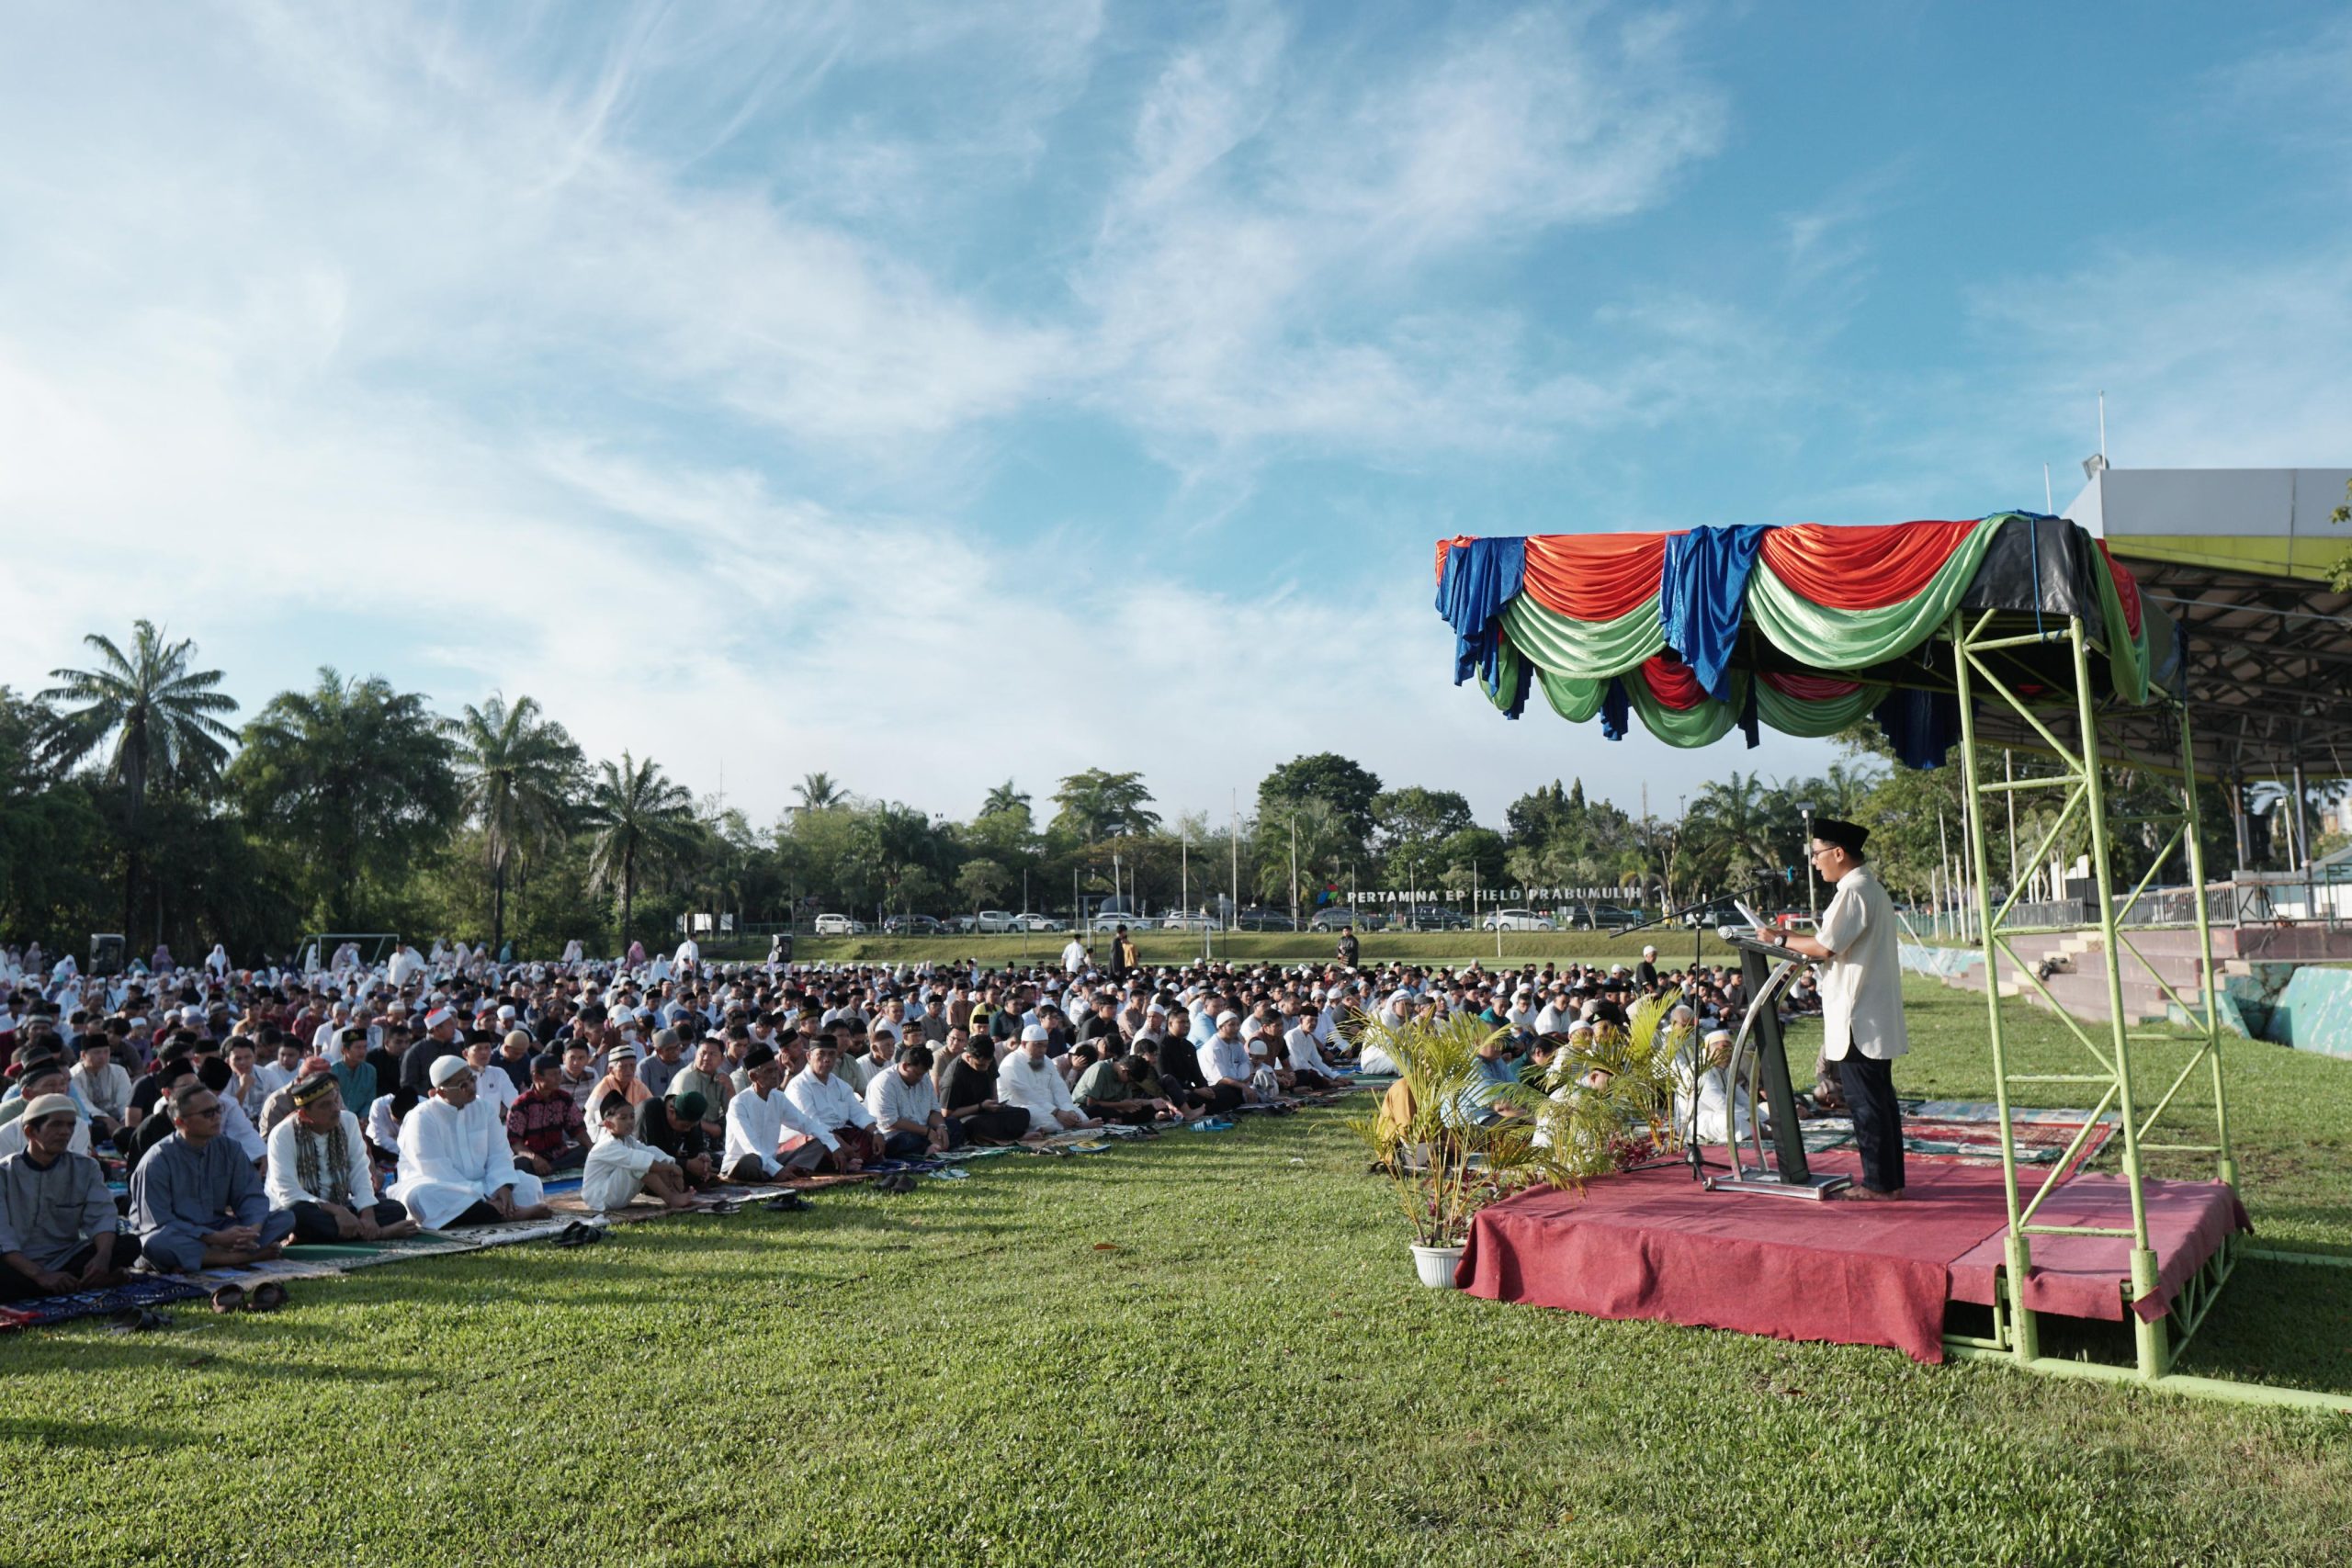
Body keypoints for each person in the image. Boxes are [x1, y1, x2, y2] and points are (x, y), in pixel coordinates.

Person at [1754, 817, 1906, 1200]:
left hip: (1860, 1017)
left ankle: (1878, 1185)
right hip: (1871, 1013)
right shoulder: (1868, 888)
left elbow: (1824, 946)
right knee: (1879, 1102)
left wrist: (1780, 937)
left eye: (1818, 853)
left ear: (1838, 853)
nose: (1814, 861)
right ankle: (1889, 1181)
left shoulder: (1853, 891)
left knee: (1867, 1104)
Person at [127, 1083, 296, 1270]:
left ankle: (214, 1256)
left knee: (285, 1218)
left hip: (220, 1228)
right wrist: (214, 1238)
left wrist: (250, 1231)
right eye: (208, 1114)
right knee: (155, 1243)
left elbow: (250, 1196)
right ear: (180, 1122)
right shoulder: (157, 1160)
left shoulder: (230, 1149)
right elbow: (158, 1222)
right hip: (180, 1233)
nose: (217, 1118)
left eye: (218, 1109)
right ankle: (237, 1258)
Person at [389, 1055, 553, 1228]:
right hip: (441, 1186)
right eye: (463, 1085)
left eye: (471, 1079)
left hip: (485, 1183)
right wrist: (482, 1195)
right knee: (423, 1196)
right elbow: (436, 1171)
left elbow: (499, 1153)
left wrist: (503, 1186)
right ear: (442, 1092)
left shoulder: (484, 1108)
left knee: (529, 1184)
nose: (472, 1087)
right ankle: (505, 1213)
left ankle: (493, 1211)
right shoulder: (421, 1117)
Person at [0, 1094, 132, 1299]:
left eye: (70, 1125)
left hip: (65, 1257)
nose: (65, 1132)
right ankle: (75, 1283)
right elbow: (2, 1238)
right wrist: (40, 1275)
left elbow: (102, 1217)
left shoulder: (86, 1168)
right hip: (16, 1262)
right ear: (30, 1132)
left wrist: (102, 1259)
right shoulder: (4, 1173)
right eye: (56, 1125)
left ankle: (68, 1282)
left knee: (129, 1244)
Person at [265, 1074, 420, 1243]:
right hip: (305, 1208)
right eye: (325, 1105)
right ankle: (380, 1234)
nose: (335, 1108)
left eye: (335, 1100)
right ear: (304, 1114)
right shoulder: (283, 1134)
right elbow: (288, 1193)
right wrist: (337, 1211)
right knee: (294, 1215)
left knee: (395, 1209)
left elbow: (360, 1170)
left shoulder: (348, 1121)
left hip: (342, 1204)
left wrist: (367, 1215)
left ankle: (326, 1235)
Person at [721, 1045, 831, 1182]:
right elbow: (752, 1147)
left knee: (819, 1141)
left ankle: (787, 1170)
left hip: (772, 1161)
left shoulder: (778, 1097)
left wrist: (834, 1145)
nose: (775, 1075)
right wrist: (777, 1169)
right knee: (751, 1160)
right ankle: (777, 1173)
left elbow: (806, 1123)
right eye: (768, 1071)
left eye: (775, 1069)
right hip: (742, 1163)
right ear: (753, 1076)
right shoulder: (738, 1104)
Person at [581, 1097, 695, 1213]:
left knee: (650, 1153)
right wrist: (672, 1168)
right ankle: (671, 1199)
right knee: (640, 1164)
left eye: (632, 1116)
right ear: (608, 1124)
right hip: (599, 1199)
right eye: (623, 1118)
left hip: (612, 1196)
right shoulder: (607, 1145)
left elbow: (650, 1151)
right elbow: (643, 1162)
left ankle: (674, 1192)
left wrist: (672, 1164)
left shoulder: (628, 1140)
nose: (630, 1121)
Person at [782, 1042, 877, 1172]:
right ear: (809, 1056)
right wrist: (841, 1146)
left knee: (869, 1136)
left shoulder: (840, 1085)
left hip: (837, 1134)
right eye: (821, 1054)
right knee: (819, 1142)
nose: (827, 1059)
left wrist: (876, 1133)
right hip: (806, 1137)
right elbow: (813, 1125)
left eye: (831, 1054)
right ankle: (838, 1164)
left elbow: (859, 1113)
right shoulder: (798, 1086)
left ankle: (845, 1162)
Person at [998, 1024, 1098, 1138]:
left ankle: (1074, 1123)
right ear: (1024, 1044)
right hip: (1021, 1107)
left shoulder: (1046, 1061)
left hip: (1051, 1107)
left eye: (1045, 1046)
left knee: (1078, 1113)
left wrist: (1068, 1110)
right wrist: (1056, 1112)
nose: (1042, 1050)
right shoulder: (1012, 1062)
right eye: (1038, 1045)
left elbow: (1059, 1087)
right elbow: (1025, 1095)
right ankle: (1076, 1126)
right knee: (1035, 1115)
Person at [865, 1043, 960, 1160]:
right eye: (917, 1074)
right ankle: (931, 1149)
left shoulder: (924, 1078)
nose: (920, 1078)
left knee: (954, 1124)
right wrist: (927, 1132)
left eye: (923, 1074)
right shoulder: (883, 1083)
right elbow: (889, 1122)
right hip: (896, 1135)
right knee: (907, 1141)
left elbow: (933, 1110)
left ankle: (934, 1147)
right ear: (905, 1066)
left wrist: (941, 1127)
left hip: (925, 1131)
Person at [935, 1031, 1030, 1144]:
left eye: (988, 1064)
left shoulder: (988, 1060)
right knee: (973, 1125)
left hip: (986, 1110)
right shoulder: (954, 1077)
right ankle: (1012, 1137)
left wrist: (995, 1104)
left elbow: (993, 1081)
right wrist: (980, 1106)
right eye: (980, 1065)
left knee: (1023, 1114)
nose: (985, 1068)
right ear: (969, 1057)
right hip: (967, 1115)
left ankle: (1006, 1136)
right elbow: (946, 1113)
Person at [505, 1055, 592, 1176]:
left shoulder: (564, 1098)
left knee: (584, 1150)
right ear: (536, 1076)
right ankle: (551, 1168)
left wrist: (591, 1148)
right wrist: (534, 1158)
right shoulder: (521, 1104)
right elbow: (514, 1142)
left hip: (558, 1154)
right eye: (553, 1075)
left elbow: (578, 1129)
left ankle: (551, 1168)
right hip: (532, 1155)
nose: (558, 1079)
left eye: (559, 1074)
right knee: (517, 1164)